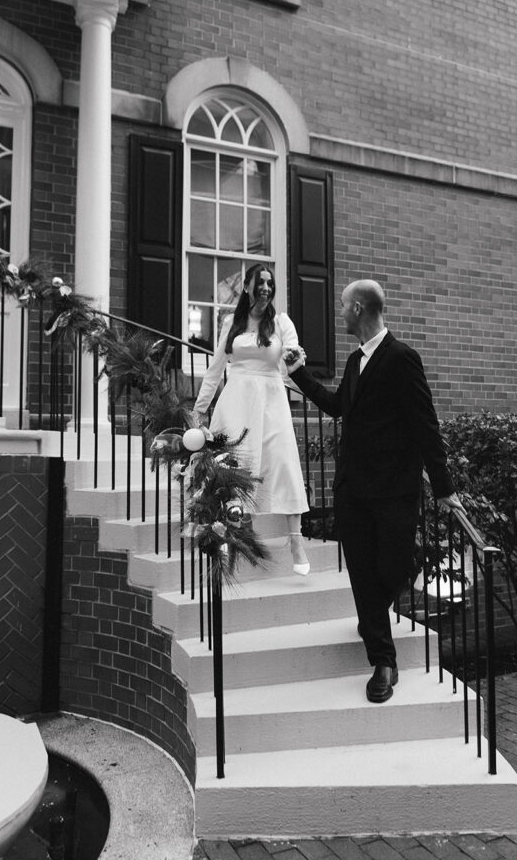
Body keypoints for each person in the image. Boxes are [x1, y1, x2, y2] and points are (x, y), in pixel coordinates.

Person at [285, 279, 464, 702]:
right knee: (363, 573)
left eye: (345, 307)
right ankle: (383, 661)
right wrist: (298, 374)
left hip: (394, 491)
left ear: (360, 308)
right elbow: (338, 407)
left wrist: (443, 486)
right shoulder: (353, 361)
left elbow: (425, 424)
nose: (341, 313)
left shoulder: (402, 358)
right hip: (353, 491)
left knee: (395, 566)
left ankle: (370, 619)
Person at [192, 264, 311, 575]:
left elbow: (292, 362)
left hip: (271, 400)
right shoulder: (232, 322)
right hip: (236, 400)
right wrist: (200, 408)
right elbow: (216, 367)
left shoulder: (282, 323)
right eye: (260, 282)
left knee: (283, 463)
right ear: (247, 286)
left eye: (270, 283)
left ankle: (295, 540)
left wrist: (294, 358)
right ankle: (231, 533)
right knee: (234, 467)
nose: (266, 288)